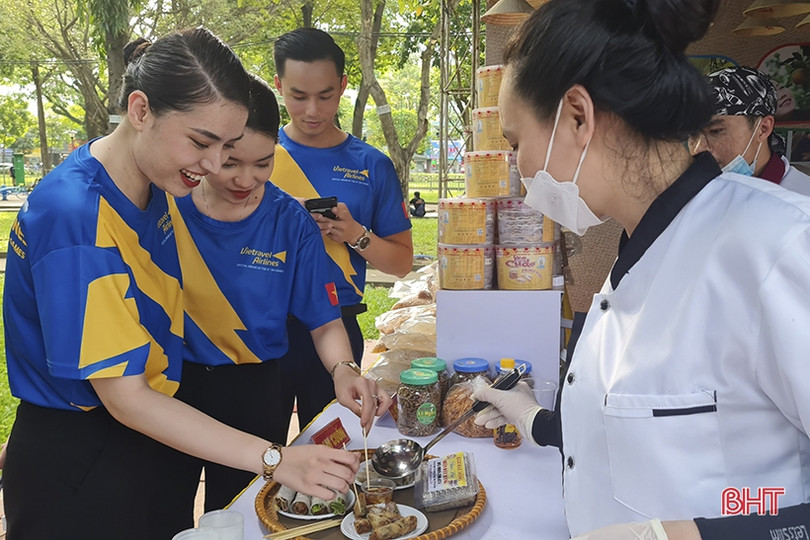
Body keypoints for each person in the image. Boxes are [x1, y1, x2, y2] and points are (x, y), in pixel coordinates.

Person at [470, 0, 810, 538]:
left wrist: (690, 534)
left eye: (515, 143)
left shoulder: (781, 246)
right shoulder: (637, 256)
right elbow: (637, 431)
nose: (519, 167)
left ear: (577, 115)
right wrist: (533, 418)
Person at [1, 29, 359, 540]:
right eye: (201, 143)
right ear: (140, 110)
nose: (213, 166)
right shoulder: (78, 219)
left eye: (227, 147)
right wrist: (275, 458)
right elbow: (125, 397)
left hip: (144, 437)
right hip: (86, 455)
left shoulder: (154, 189)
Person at [157, 74, 390, 528]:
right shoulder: (165, 205)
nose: (246, 180)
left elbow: (325, 320)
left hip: (254, 389)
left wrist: (345, 370)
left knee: (242, 515)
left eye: (263, 163)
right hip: (171, 387)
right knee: (164, 515)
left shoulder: (290, 221)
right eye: (230, 163)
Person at [270, 28, 413, 431]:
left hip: (338, 327)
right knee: (259, 454)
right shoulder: (257, 157)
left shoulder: (371, 164)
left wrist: (354, 234)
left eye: (325, 95)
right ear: (278, 85)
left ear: (344, 85)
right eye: (298, 96)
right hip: (263, 327)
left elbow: (402, 263)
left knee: (334, 447)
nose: (312, 110)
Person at [689, 65, 810, 196]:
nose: (697, 149)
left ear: (763, 129)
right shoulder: (692, 192)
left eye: (715, 131)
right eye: (692, 134)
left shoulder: (802, 200)